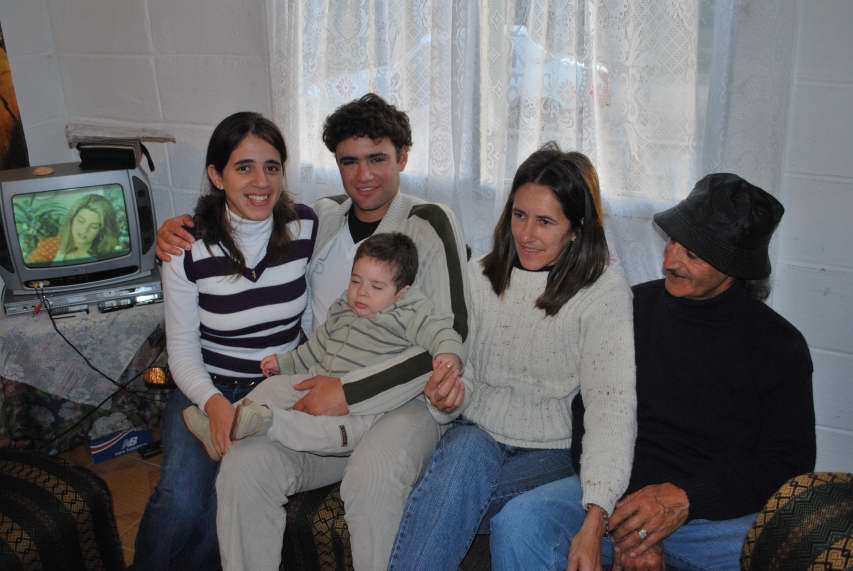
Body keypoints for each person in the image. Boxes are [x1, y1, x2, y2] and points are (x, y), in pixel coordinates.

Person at [153, 93, 469, 571]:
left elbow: (452, 334)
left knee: (371, 478)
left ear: (403, 157)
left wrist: (346, 392)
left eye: (378, 158)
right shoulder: (320, 219)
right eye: (349, 161)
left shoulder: (427, 222)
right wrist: (176, 230)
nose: (363, 175)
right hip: (318, 384)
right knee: (243, 466)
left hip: (402, 400)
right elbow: (254, 237)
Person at [491, 173, 816, 571]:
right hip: (616, 499)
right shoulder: (629, 308)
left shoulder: (780, 345)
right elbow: (588, 413)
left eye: (692, 254)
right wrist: (627, 516)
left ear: (733, 268)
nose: (670, 260)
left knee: (796, 546)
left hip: (712, 518)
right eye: (673, 241)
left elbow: (789, 462)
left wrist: (686, 499)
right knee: (520, 523)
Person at [387, 144, 637, 570]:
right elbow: (463, 372)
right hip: (477, 434)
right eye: (519, 215)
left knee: (436, 500)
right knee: (462, 458)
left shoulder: (603, 291)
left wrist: (597, 513)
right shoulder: (480, 275)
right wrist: (448, 396)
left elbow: (611, 407)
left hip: (553, 453)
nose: (526, 234)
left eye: (545, 222)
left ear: (576, 229)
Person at [133, 111, 318, 570]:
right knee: (180, 499)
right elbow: (181, 349)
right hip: (204, 387)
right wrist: (214, 402)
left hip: (272, 394)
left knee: (224, 503)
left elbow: (313, 313)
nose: (261, 182)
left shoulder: (306, 226)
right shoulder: (185, 246)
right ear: (217, 176)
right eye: (244, 167)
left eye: (272, 167)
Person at [181, 232, 463, 459]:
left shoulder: (409, 312)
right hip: (318, 379)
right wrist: (285, 362)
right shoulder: (343, 308)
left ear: (401, 293)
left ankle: (266, 422)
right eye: (356, 280)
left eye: (376, 287)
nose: (361, 292)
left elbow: (442, 331)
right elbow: (316, 347)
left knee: (319, 430)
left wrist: (448, 354)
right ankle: (221, 423)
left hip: (361, 408)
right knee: (274, 387)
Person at [25, 193, 121, 263]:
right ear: (72, 219)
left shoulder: (109, 253)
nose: (84, 230)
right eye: (81, 221)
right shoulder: (49, 246)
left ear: (102, 231)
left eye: (93, 226)